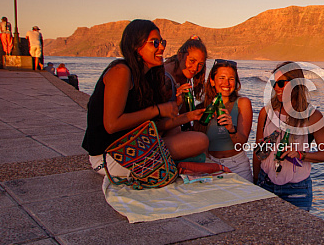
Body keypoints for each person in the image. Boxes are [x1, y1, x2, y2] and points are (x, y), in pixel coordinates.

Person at [82, 19, 209, 179]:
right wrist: (157, 110)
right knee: (200, 141)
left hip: (132, 145)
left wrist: (189, 116)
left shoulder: (148, 77)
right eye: (155, 43)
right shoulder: (121, 71)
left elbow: (154, 125)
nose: (162, 47)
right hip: (110, 156)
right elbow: (112, 125)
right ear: (136, 45)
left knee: (187, 134)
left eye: (161, 42)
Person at [253, 62, 324, 210]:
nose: (276, 88)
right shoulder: (266, 113)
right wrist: (256, 180)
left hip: (297, 190)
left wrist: (301, 155)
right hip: (265, 183)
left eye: (281, 83)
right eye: (274, 83)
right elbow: (258, 152)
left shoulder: (313, 117)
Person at [195, 59, 253, 181]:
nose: (226, 83)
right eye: (222, 77)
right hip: (211, 163)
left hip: (237, 165)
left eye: (231, 79)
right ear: (212, 81)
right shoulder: (201, 109)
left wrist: (231, 129)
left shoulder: (243, 103)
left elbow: (241, 144)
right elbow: (200, 145)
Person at [164, 36, 208, 124]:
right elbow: (159, 118)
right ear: (180, 55)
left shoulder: (184, 76)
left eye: (200, 64)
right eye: (192, 61)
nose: (195, 68)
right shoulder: (165, 78)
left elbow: (184, 114)